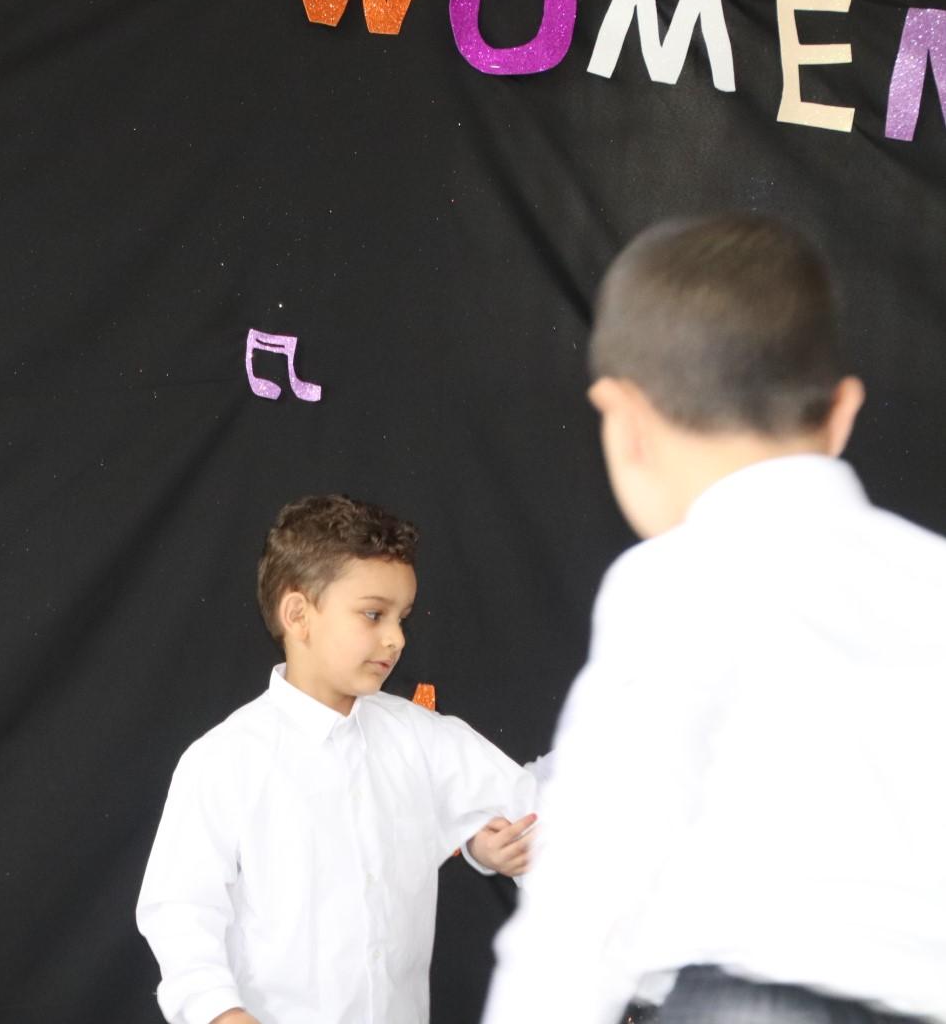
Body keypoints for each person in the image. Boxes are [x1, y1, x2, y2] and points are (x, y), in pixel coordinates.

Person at [483, 214, 946, 1023]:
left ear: (624, 421)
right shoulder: (930, 576)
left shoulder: (676, 576)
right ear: (843, 412)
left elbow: (596, 875)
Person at [137, 494, 538, 1024]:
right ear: (298, 615)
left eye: (402, 617)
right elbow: (181, 912)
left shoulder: (422, 738)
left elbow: (536, 815)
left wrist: (487, 844)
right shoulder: (225, 761)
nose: (396, 639)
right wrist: (220, 1012)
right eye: (373, 614)